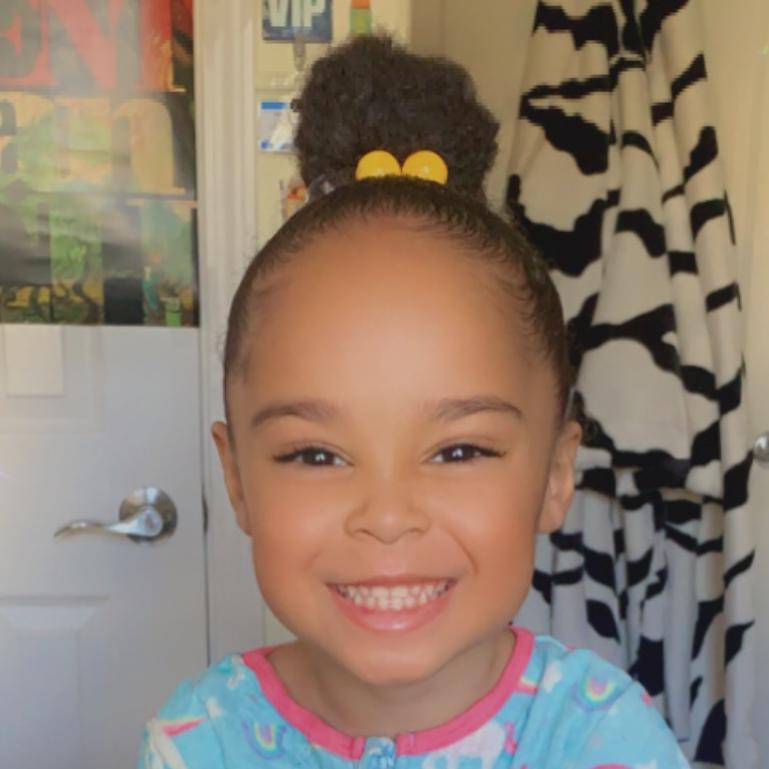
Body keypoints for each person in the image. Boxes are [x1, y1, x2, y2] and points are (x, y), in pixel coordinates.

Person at [137, 36, 689, 769]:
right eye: (315, 454)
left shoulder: (607, 742)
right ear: (236, 476)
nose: (388, 515)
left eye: (458, 450)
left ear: (556, 474)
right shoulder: (196, 743)